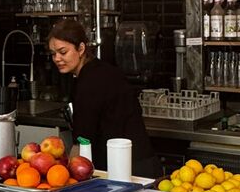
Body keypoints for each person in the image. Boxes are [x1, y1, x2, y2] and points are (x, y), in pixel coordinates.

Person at [47, 19, 158, 178]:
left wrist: (66, 176)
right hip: (142, 161)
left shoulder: (88, 82)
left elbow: (83, 138)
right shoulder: (102, 70)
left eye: (63, 52)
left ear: (81, 49)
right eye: (53, 54)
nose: (57, 58)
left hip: (124, 168)